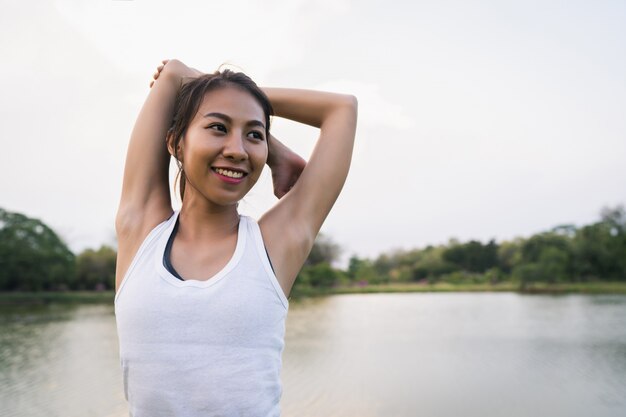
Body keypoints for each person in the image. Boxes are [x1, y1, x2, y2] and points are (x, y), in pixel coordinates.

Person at [114, 59, 357, 417]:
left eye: (254, 135)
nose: (238, 150)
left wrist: (241, 102)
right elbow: (172, 75)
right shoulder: (141, 229)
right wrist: (275, 146)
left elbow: (342, 109)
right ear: (175, 143)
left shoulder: (276, 244)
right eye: (217, 127)